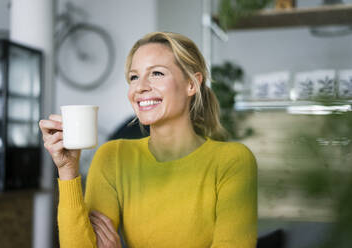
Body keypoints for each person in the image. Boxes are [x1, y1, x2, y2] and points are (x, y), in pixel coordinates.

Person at [39, 31, 257, 248]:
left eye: (157, 73)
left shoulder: (233, 161)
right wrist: (67, 171)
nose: (140, 87)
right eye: (134, 77)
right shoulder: (113, 157)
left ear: (192, 83)